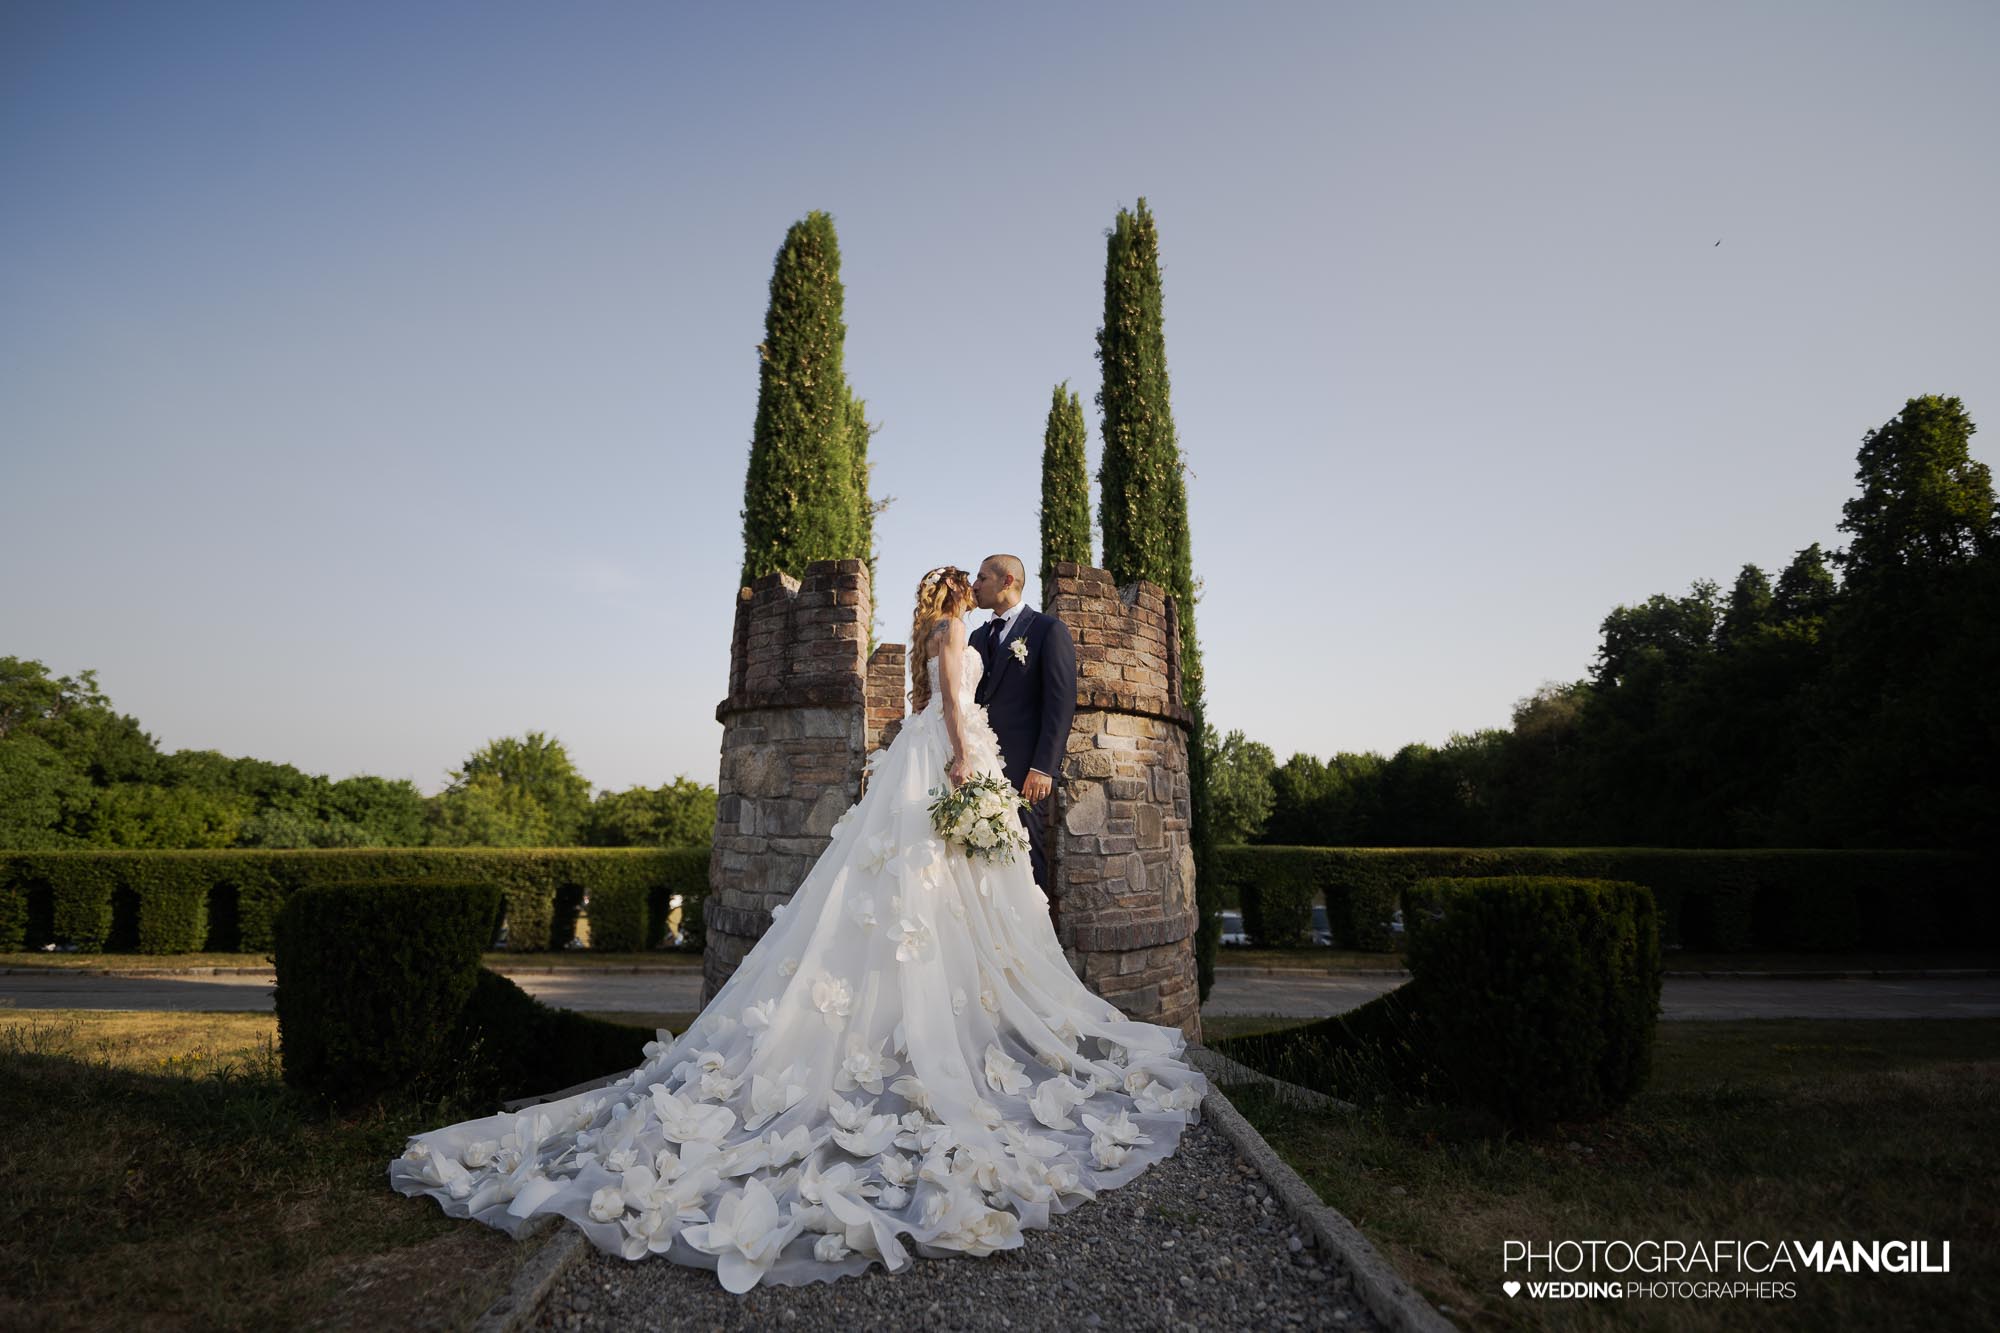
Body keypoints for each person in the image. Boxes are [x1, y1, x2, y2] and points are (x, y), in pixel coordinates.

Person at [390, 565, 1207, 1292]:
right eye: (976, 580)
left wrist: (985, 752)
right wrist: (965, 757)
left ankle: (955, 1013)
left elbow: (970, 700)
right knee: (937, 894)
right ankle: (952, 1022)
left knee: (923, 891)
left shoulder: (965, 635)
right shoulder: (959, 633)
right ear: (967, 592)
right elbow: (959, 708)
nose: (984, 588)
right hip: (954, 756)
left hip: (942, 756)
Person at [969, 553, 1077, 908]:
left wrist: (1043, 767)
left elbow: (1060, 703)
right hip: (979, 767)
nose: (974, 585)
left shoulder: (1047, 630)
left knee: (1027, 859)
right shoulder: (975, 637)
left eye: (982, 578)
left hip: (1024, 772)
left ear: (1007, 581)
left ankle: (1035, 936)